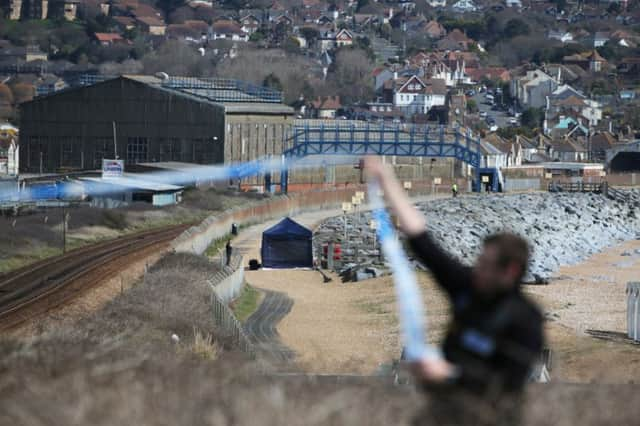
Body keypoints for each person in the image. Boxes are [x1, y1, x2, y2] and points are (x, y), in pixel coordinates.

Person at [365, 157, 543, 424]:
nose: (477, 270)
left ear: (510, 272)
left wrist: (449, 373)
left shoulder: (526, 319)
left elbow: (507, 383)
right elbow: (424, 243)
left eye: (485, 265)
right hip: (442, 413)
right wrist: (385, 179)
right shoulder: (467, 289)